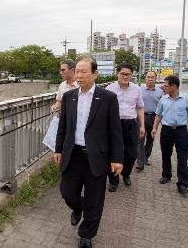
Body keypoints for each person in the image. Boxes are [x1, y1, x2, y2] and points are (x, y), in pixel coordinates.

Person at [54, 57, 123, 248]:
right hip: (73, 154)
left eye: (84, 71)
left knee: (95, 199)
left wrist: (117, 158)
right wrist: (58, 148)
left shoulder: (108, 98)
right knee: (67, 192)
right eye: (77, 71)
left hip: (97, 156)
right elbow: (63, 126)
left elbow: (115, 130)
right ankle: (78, 207)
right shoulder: (69, 97)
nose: (79, 75)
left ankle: (86, 235)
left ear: (95, 74)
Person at [151, 75, 188, 196]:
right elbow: (158, 115)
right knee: (166, 154)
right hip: (166, 130)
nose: (163, 87)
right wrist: (155, 128)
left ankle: (183, 184)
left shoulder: (186, 98)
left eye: (166, 85)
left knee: (182, 157)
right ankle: (166, 175)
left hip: (181, 131)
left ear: (174, 86)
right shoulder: (163, 99)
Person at [106, 62, 145, 192]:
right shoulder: (110, 88)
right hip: (114, 124)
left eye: (128, 74)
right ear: (117, 73)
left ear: (132, 75)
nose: (125, 76)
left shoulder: (136, 89)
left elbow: (139, 107)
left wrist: (142, 125)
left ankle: (126, 174)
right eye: (122, 74)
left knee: (132, 154)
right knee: (113, 152)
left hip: (131, 124)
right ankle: (113, 180)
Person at [136, 71, 164, 170]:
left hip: (154, 117)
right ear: (145, 78)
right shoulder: (139, 90)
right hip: (141, 116)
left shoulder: (160, 92)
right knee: (140, 139)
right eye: (148, 77)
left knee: (150, 139)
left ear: (156, 79)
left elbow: (162, 107)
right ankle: (140, 161)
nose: (150, 79)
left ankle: (146, 157)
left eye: (152, 77)